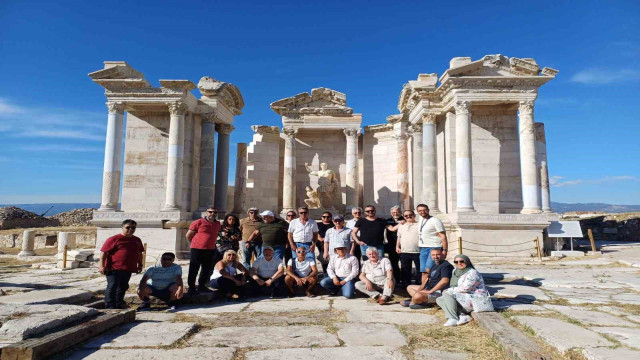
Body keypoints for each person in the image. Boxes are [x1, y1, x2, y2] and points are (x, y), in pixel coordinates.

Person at [99, 219, 145, 309]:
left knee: (123, 287)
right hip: (113, 268)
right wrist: (101, 266)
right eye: (128, 227)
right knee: (112, 286)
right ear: (122, 227)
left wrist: (140, 265)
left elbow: (140, 253)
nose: (130, 229)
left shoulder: (137, 240)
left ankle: (118, 304)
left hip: (128, 268)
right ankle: (109, 306)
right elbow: (103, 253)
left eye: (133, 228)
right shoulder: (113, 239)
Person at [436, 254, 489, 327]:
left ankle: (452, 318)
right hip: (463, 297)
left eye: (461, 261)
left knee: (447, 293)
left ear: (467, 262)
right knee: (439, 299)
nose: (459, 263)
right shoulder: (455, 271)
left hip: (475, 299)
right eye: (456, 262)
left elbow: (466, 288)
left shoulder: (472, 272)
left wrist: (450, 290)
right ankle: (462, 315)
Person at [186, 207, 221, 294]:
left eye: (214, 212)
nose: (212, 214)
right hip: (197, 248)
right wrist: (196, 243)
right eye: (210, 212)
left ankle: (202, 285)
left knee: (206, 268)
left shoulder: (218, 224)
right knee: (194, 268)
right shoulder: (198, 222)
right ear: (206, 213)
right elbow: (188, 235)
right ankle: (191, 287)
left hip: (210, 249)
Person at [416, 204, 448, 289]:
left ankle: (432, 288)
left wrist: (444, 250)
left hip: (434, 247)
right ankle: (423, 289)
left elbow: (443, 236)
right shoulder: (420, 219)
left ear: (428, 210)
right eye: (420, 210)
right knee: (423, 272)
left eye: (424, 210)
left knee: (429, 270)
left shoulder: (435, 220)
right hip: (423, 248)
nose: (422, 212)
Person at [396, 209, 421, 285]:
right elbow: (399, 237)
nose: (408, 216)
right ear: (403, 217)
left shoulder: (419, 225)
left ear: (414, 215)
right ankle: (406, 286)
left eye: (410, 215)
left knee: (419, 269)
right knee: (405, 270)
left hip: (418, 251)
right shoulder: (401, 226)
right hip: (405, 251)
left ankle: (419, 284)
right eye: (406, 216)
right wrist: (397, 246)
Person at [384, 206, 402, 283]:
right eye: (394, 212)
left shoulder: (405, 219)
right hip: (391, 245)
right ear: (391, 213)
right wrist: (401, 224)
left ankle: (404, 279)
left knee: (404, 263)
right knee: (393, 263)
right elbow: (391, 229)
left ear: (400, 212)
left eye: (397, 212)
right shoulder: (388, 221)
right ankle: (396, 279)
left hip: (403, 244)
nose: (395, 213)